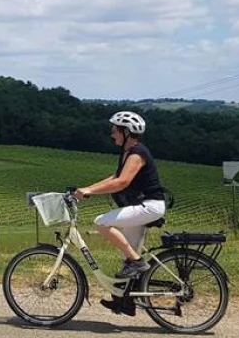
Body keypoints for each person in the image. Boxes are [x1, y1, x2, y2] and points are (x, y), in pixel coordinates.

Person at [72, 110, 168, 316]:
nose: (112, 134)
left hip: (150, 206)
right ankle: (124, 301)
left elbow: (122, 182)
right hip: (144, 205)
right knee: (127, 257)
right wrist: (87, 189)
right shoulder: (127, 152)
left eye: (115, 130)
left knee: (102, 223)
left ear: (126, 132)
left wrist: (89, 191)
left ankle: (138, 262)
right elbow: (114, 177)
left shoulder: (137, 154)